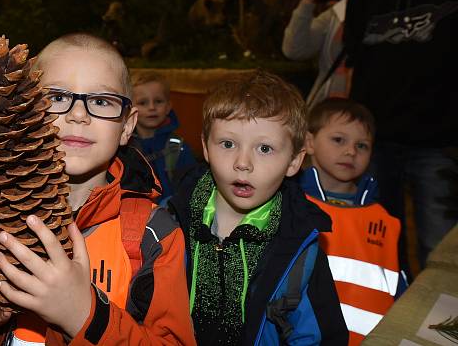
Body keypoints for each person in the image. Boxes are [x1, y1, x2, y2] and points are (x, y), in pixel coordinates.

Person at [0, 33, 195, 345]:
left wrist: (83, 316)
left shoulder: (152, 235)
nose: (78, 115)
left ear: (126, 126)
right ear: (26, 111)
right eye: (57, 97)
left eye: (100, 101)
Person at [169, 70, 347, 345]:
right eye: (227, 144)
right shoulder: (168, 223)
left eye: (264, 149)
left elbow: (320, 337)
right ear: (205, 147)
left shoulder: (299, 246)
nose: (243, 162)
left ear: (293, 162)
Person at [344, 0, 458, 267]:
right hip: (376, 141)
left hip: (439, 142)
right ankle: (390, 324)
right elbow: (354, 62)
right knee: (380, 247)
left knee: (439, 249)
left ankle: (436, 326)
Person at [299, 98, 405, 344]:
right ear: (309, 142)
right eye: (339, 140)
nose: (351, 152)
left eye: (362, 145)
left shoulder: (384, 219)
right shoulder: (292, 205)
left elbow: (398, 285)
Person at [282, 0, 379, 105]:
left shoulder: (389, 11)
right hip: (326, 108)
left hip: (367, 107)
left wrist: (359, 7)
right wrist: (307, 1)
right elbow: (294, 50)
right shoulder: (335, 13)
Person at [130, 71, 197, 204]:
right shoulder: (124, 148)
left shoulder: (179, 148)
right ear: (130, 108)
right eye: (143, 103)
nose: (152, 107)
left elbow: (192, 187)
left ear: (168, 107)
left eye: (158, 101)